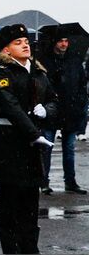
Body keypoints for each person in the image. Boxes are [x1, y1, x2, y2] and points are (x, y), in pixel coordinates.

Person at [0, 24, 58, 253]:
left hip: (31, 143)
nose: (25, 45)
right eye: (18, 42)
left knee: (31, 198)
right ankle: (12, 250)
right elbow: (11, 107)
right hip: (10, 140)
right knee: (10, 198)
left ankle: (30, 248)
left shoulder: (39, 73)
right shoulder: (3, 75)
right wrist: (34, 133)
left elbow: (54, 100)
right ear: (6, 50)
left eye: (26, 41)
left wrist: (46, 110)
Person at [40, 29, 87, 194]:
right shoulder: (45, 61)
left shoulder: (74, 60)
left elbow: (82, 83)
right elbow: (41, 85)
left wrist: (80, 103)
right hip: (51, 110)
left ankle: (71, 182)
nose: (64, 44)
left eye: (66, 41)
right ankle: (44, 181)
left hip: (70, 110)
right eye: (61, 41)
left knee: (69, 149)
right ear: (54, 42)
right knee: (46, 147)